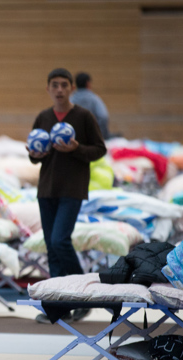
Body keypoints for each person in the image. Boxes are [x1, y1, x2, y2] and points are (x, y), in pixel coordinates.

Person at [28, 68, 106, 324]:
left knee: (61, 240)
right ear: (48, 89)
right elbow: (34, 154)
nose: (59, 89)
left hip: (72, 190)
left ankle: (84, 294)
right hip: (47, 189)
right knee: (51, 247)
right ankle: (58, 306)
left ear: (72, 88)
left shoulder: (83, 117)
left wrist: (76, 148)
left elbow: (99, 149)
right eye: (54, 85)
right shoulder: (43, 117)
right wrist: (35, 155)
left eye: (64, 85)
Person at [70, 72, 110, 140]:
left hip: (74, 137)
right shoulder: (94, 99)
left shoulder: (71, 99)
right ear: (88, 83)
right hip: (93, 137)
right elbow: (103, 116)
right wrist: (100, 133)